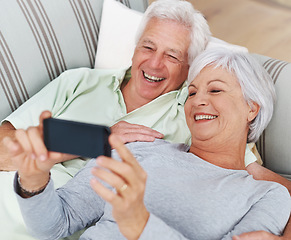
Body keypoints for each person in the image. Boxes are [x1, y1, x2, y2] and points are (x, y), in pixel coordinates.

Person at [4, 48, 290, 240]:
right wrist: (34, 181)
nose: (198, 100)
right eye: (191, 93)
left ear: (252, 108)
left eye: (215, 89)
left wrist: (138, 223)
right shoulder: (139, 150)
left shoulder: (268, 195)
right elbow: (55, 225)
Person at [0, 0, 211, 239]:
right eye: (148, 47)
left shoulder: (191, 120)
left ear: (189, 67)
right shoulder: (78, 82)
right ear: (135, 48)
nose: (154, 63)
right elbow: (3, 149)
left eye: (172, 56)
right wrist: (94, 140)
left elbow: (240, 169)